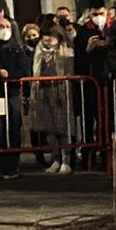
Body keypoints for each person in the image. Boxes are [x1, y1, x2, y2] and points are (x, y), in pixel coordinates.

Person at [30, 18, 75, 175]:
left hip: (61, 91)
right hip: (43, 91)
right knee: (49, 128)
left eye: (51, 35)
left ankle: (66, 160)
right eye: (45, 35)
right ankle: (55, 159)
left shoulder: (65, 50)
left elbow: (69, 71)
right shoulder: (39, 50)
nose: (47, 39)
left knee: (63, 128)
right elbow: (36, 69)